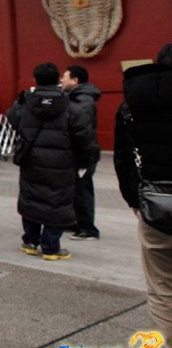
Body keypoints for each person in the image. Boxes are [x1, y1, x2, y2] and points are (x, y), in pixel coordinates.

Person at [114, 44, 172, 348]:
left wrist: (135, 199)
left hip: (157, 206)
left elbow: (123, 157)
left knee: (164, 289)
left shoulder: (135, 103)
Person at [8, 62, 98, 261]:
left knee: (31, 198)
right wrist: (87, 160)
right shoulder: (71, 107)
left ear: (36, 80)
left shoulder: (26, 104)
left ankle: (30, 241)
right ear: (57, 79)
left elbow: (12, 118)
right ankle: (50, 246)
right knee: (58, 202)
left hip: (31, 160)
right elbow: (85, 138)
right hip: (62, 162)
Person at [61, 65, 102, 239]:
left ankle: (88, 229)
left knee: (82, 191)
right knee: (74, 190)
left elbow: (81, 130)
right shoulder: (75, 98)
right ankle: (76, 222)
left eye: (65, 76)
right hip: (76, 153)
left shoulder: (83, 101)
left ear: (75, 80)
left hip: (83, 153)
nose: (61, 80)